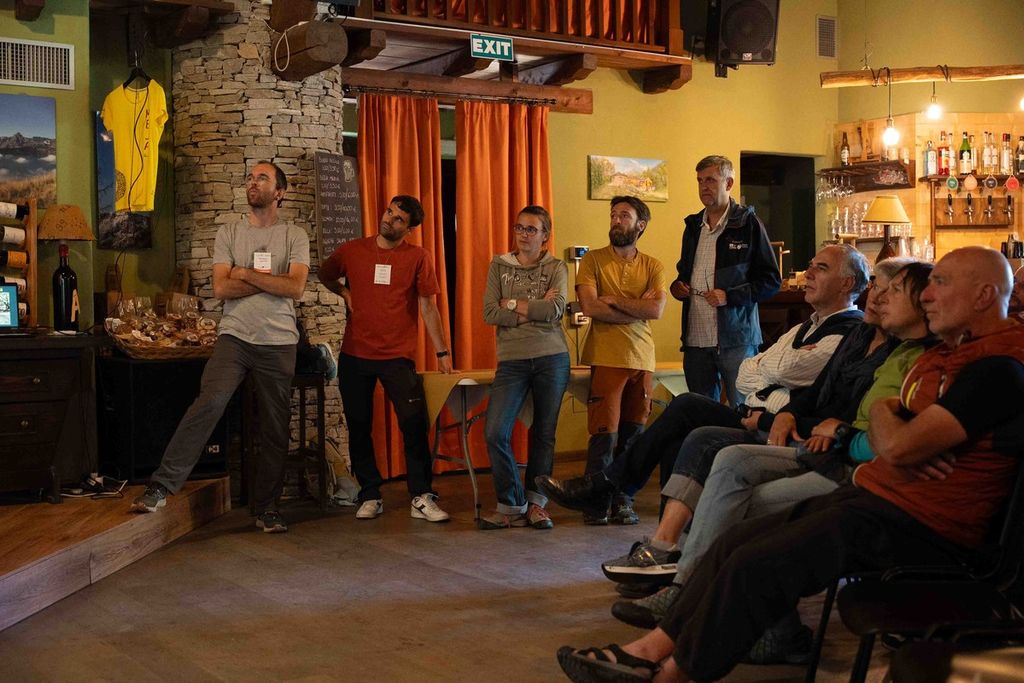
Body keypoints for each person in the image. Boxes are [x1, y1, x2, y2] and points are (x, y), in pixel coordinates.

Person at [555, 246, 1024, 683]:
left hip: (922, 524)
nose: (927, 295)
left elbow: (897, 447)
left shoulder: (996, 369)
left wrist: (888, 416)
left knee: (757, 562)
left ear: (984, 295)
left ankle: (670, 673)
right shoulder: (949, 356)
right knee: (734, 541)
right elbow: (892, 437)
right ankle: (650, 648)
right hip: (881, 497)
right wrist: (892, 424)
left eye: (940, 282)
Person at [611, 261, 938, 653]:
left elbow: (863, 422)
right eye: (877, 286)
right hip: (814, 438)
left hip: (841, 459)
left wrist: (826, 427)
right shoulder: (861, 337)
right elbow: (758, 374)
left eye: (891, 290)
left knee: (729, 493)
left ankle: (705, 604)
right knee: (710, 442)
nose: (877, 297)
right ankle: (682, 581)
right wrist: (786, 411)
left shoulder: (897, 350)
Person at [538, 244, 868, 528]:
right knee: (684, 415)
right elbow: (745, 373)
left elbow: (784, 368)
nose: (808, 273)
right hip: (755, 415)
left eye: (821, 268)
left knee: (689, 416)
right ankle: (655, 524)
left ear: (847, 283)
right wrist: (771, 372)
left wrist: (769, 372)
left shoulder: (849, 332)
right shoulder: (802, 329)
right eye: (810, 265)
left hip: (778, 428)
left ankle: (610, 490)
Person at [131, 161, 310, 534]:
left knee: (275, 426)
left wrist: (244, 273)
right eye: (250, 177)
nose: (253, 182)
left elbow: (295, 288)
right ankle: (161, 486)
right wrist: (266, 281)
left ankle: (268, 508)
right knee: (209, 403)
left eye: (262, 178)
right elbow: (221, 288)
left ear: (279, 192)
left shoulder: (294, 235)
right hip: (234, 337)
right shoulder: (229, 232)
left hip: (278, 342)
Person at [318, 195, 453, 523]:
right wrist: (344, 292)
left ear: (409, 229)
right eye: (389, 212)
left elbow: (428, 306)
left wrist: (442, 352)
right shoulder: (352, 250)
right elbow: (325, 274)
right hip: (355, 354)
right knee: (359, 425)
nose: (389, 220)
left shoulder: (418, 257)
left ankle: (421, 496)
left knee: (413, 424)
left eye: (398, 219)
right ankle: (370, 494)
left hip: (397, 356)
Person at [575, 196, 667, 525]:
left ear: (640, 225)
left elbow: (656, 309)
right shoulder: (593, 260)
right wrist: (636, 308)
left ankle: (623, 500)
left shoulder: (653, 266)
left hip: (642, 358)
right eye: (613, 214)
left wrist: (613, 300)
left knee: (633, 437)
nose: (616, 220)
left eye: (624, 215)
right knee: (605, 435)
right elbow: (590, 307)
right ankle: (595, 503)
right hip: (606, 356)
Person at [478, 206, 570, 530]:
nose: (523, 234)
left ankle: (536, 505)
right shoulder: (499, 265)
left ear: (545, 236)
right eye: (519, 227)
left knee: (543, 433)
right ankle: (511, 503)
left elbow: (555, 310)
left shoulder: (556, 267)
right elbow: (489, 312)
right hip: (512, 360)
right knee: (495, 431)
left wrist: (512, 304)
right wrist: (533, 308)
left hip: (552, 356)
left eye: (531, 229)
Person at [669, 155, 781, 407]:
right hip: (696, 339)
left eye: (710, 180)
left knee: (744, 409)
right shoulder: (692, 226)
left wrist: (729, 296)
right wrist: (677, 287)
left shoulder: (748, 224)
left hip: (736, 339)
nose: (703, 187)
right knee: (700, 412)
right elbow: (683, 274)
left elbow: (771, 281)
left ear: (728, 183)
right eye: (700, 181)